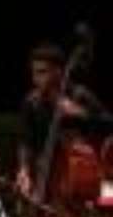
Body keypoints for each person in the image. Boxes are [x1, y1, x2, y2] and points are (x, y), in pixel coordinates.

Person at [16, 43, 107, 198]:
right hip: (44, 175)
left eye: (42, 72)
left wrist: (81, 113)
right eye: (34, 73)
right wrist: (24, 169)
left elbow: (107, 123)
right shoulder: (31, 102)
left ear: (58, 72)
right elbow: (25, 140)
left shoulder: (79, 95)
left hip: (76, 176)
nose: (36, 78)